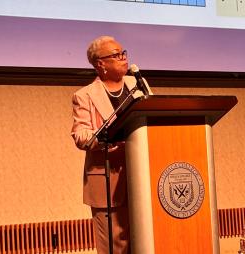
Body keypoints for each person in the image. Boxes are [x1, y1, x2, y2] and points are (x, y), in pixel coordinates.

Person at [71, 36, 152, 254]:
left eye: (123, 53)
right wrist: (102, 136)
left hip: (142, 177)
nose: (123, 58)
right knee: (115, 246)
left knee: (146, 241)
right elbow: (80, 135)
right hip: (108, 180)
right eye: (116, 55)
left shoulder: (137, 85)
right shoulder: (84, 95)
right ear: (100, 64)